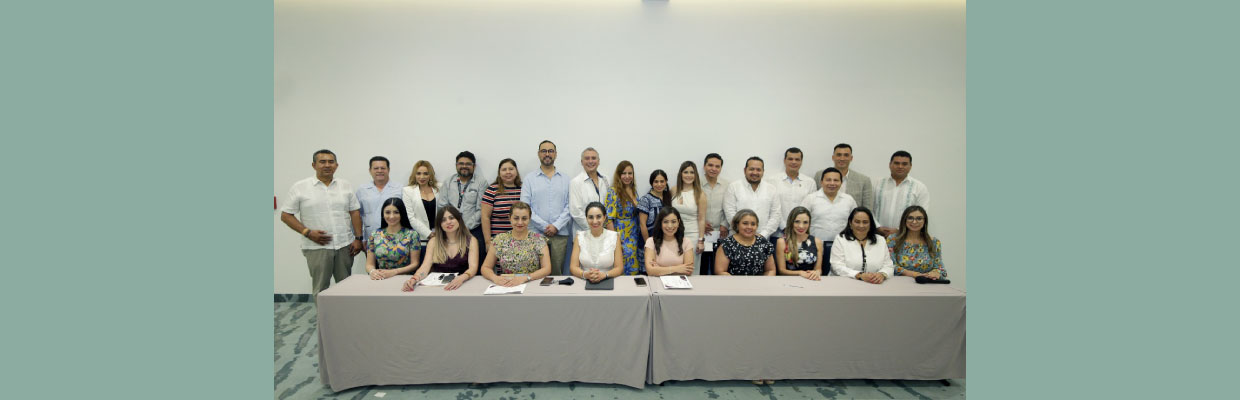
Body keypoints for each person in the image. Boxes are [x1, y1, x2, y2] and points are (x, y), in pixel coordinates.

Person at [279, 149, 364, 297]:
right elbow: (286, 215)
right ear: (314, 165)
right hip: (317, 247)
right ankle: (324, 314)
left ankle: (344, 313)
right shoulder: (300, 187)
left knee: (346, 288)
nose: (327, 165)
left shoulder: (345, 185)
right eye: (322, 162)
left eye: (331, 162)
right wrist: (307, 232)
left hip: (344, 245)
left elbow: (354, 212)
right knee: (321, 288)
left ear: (336, 165)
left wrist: (358, 238)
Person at [520, 140, 572, 274]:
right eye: (544, 151)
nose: (547, 154)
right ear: (539, 154)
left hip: (560, 234)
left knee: (557, 274)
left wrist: (556, 226)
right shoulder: (529, 179)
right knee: (534, 272)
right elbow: (525, 207)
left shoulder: (566, 179)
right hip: (535, 234)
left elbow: (570, 206)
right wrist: (544, 226)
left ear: (556, 154)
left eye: (550, 151)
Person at [402, 205, 480, 291]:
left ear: (459, 220)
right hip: (438, 287)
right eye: (443, 220)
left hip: (463, 284)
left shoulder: (471, 241)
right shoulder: (433, 242)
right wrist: (414, 279)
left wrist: (462, 278)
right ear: (440, 225)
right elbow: (425, 267)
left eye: (451, 218)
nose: (448, 222)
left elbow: (473, 268)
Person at [479, 202, 553, 287]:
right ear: (509, 218)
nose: (520, 222)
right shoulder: (499, 240)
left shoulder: (539, 240)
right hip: (506, 285)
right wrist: (495, 278)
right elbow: (485, 267)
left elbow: (547, 269)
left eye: (524, 218)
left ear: (529, 219)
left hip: (531, 283)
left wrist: (527, 278)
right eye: (516, 218)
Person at [438, 151, 488, 261]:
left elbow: (481, 209)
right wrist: (452, 225)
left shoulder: (481, 182)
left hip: (473, 230)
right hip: (451, 230)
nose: (464, 166)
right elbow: (442, 207)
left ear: (474, 166)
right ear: (456, 165)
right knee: (453, 262)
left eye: (468, 164)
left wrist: (464, 227)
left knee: (477, 262)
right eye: (461, 163)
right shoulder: (448, 182)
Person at [799, 167, 856, 261]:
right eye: (828, 180)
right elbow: (800, 221)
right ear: (821, 182)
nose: (832, 183)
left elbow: (855, 223)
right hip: (814, 246)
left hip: (842, 247)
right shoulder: (810, 199)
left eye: (836, 180)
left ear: (841, 182)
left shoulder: (849, 200)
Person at [829, 207, 894, 284]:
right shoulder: (840, 239)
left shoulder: (881, 240)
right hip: (844, 283)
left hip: (874, 284)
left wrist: (882, 274)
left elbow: (888, 266)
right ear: (850, 223)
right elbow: (836, 266)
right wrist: (859, 275)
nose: (861, 225)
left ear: (870, 224)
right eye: (857, 222)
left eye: (865, 222)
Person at [723, 157, 781, 240]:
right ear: (745, 170)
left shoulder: (771, 189)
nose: (755, 172)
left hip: (763, 238)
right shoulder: (733, 187)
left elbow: (776, 215)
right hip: (737, 237)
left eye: (758, 170)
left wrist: (763, 234)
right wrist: (743, 232)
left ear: (763, 171)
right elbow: (730, 213)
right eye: (751, 169)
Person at [365, 198, 422, 281]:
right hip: (381, 278)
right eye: (387, 212)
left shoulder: (412, 235)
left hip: (405, 279)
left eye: (396, 212)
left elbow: (415, 264)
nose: (391, 216)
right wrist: (372, 272)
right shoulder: (374, 235)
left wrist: (394, 272)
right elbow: (369, 264)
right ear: (383, 214)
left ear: (402, 213)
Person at [875, 150, 929, 236]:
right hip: (878, 235)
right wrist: (877, 227)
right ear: (890, 164)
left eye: (904, 164)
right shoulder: (877, 184)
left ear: (910, 166)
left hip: (906, 236)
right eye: (896, 163)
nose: (900, 166)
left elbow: (921, 214)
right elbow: (869, 208)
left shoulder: (919, 188)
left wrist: (899, 230)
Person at [569, 202, 624, 283]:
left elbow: (619, 268)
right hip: (584, 281)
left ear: (604, 217)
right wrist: (585, 274)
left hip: (608, 280)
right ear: (586, 218)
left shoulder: (614, 237)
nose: (595, 221)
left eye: (598, 217)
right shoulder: (579, 236)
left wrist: (605, 275)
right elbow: (573, 267)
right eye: (591, 217)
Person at [887, 206, 947, 280]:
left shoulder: (934, 242)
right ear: (904, 220)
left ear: (925, 221)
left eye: (919, 218)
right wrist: (914, 274)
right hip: (900, 282)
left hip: (926, 282)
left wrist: (935, 273)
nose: (914, 222)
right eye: (910, 218)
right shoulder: (893, 239)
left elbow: (940, 269)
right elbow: (890, 265)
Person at [604, 161, 643, 275]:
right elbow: (608, 219)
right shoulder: (613, 191)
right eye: (624, 173)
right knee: (623, 267)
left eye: (630, 173)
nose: (627, 176)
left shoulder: (634, 191)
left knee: (635, 266)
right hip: (621, 235)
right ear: (618, 175)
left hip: (635, 234)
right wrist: (615, 240)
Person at [814, 143, 875, 211]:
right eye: (839, 155)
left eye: (846, 155)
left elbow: (868, 210)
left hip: (852, 217)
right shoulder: (820, 175)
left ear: (851, 158)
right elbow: (814, 200)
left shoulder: (864, 181)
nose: (842, 159)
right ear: (833, 157)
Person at [714, 209, 775, 276]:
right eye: (745, 223)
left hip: (759, 282)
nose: (749, 227)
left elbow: (770, 270)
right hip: (732, 282)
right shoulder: (727, 244)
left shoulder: (764, 243)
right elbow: (720, 272)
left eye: (753, 224)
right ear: (737, 225)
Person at [355, 156, 402, 240]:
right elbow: (358, 216)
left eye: (383, 168)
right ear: (370, 170)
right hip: (370, 236)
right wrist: (361, 238)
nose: (379, 171)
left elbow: (405, 214)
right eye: (376, 168)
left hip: (396, 237)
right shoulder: (362, 190)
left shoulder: (399, 188)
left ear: (388, 170)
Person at [772, 148, 816, 237]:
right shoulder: (772, 181)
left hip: (801, 233)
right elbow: (773, 208)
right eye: (790, 159)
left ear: (801, 162)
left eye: (797, 159)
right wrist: (785, 227)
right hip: (778, 233)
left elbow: (810, 208)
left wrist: (799, 226)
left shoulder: (810, 182)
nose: (794, 162)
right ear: (784, 160)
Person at [401, 160, 439, 259]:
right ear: (414, 175)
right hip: (420, 240)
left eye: (425, 173)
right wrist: (429, 234)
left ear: (430, 175)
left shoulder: (439, 188)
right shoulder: (408, 191)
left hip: (440, 238)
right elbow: (410, 217)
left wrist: (439, 233)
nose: (422, 177)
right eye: (418, 173)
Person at [481, 158, 522, 250]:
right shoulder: (492, 190)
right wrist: (488, 241)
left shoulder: (524, 189)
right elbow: (485, 217)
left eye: (511, 169)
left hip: (520, 239)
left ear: (516, 171)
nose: (508, 172)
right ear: (499, 173)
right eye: (504, 169)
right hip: (498, 240)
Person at [699, 153, 729, 275]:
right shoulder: (696, 184)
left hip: (720, 233)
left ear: (721, 168)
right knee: (702, 266)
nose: (713, 169)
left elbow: (729, 206)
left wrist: (725, 224)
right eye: (710, 165)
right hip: (702, 232)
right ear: (704, 166)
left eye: (717, 166)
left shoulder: (727, 185)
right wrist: (701, 224)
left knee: (718, 267)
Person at [775, 207, 823, 281]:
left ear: (809, 223)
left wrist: (817, 272)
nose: (801, 226)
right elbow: (781, 271)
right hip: (788, 281)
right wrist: (800, 273)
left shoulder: (817, 242)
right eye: (797, 222)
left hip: (811, 280)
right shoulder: (782, 242)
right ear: (791, 222)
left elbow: (818, 269)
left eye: (805, 222)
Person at [569, 147, 609, 234]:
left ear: (598, 161)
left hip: (604, 232)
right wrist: (595, 228)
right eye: (587, 158)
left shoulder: (606, 180)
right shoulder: (576, 182)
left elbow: (609, 206)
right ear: (582, 162)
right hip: (584, 232)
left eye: (593, 158)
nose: (590, 161)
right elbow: (576, 212)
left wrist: (603, 229)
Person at [645, 207, 695, 276]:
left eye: (673, 222)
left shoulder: (686, 242)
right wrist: (677, 268)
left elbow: (688, 271)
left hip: (680, 281)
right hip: (657, 281)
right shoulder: (651, 241)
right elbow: (650, 271)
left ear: (678, 222)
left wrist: (659, 269)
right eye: (665, 222)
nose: (670, 226)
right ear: (660, 223)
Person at [671, 161, 707, 255]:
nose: (689, 175)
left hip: (692, 235)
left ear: (696, 175)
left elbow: (702, 219)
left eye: (692, 172)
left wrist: (701, 241)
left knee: (691, 263)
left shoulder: (700, 194)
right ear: (681, 174)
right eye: (686, 172)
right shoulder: (674, 190)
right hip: (673, 234)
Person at [637, 170, 670, 243]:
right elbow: (642, 225)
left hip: (665, 241)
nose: (659, 184)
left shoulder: (668, 197)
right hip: (649, 241)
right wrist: (648, 244)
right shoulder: (645, 200)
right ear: (651, 183)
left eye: (662, 181)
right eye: (656, 182)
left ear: (666, 182)